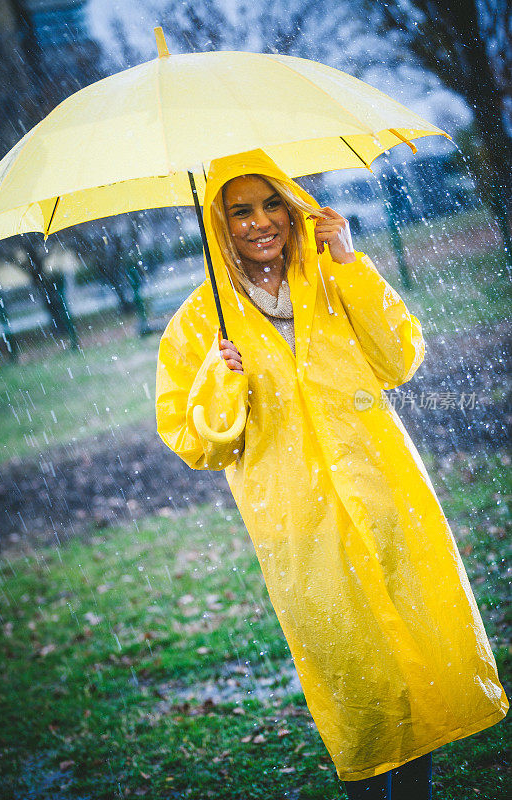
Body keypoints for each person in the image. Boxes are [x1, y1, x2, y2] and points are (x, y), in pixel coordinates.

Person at [155, 149, 508, 795]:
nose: (260, 222)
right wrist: (218, 379)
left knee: (419, 663)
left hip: (384, 495)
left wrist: (348, 263)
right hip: (300, 523)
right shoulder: (199, 324)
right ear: (217, 224)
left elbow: (398, 358)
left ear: (294, 213)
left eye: (272, 206)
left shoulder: (331, 280)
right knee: (357, 677)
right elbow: (195, 441)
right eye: (240, 211)